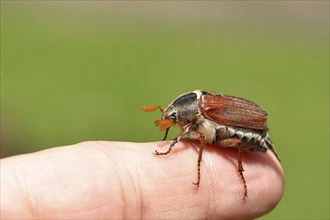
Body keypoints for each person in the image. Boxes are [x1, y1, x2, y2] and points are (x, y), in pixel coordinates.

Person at [1, 140, 284, 219]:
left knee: (219, 146)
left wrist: (174, 145)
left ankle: (241, 175)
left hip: (249, 132)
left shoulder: (203, 115)